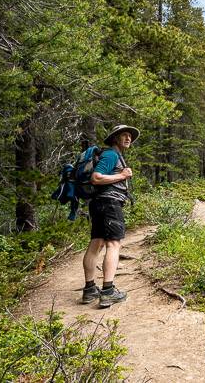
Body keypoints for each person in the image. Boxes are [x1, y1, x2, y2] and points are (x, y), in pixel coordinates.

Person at [80, 124, 138, 308]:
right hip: (109, 204)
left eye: (130, 136)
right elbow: (96, 177)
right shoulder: (111, 155)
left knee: (96, 242)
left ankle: (90, 290)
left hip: (99, 204)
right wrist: (121, 176)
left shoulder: (114, 155)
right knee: (113, 244)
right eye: (124, 135)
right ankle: (108, 291)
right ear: (115, 138)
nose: (128, 138)